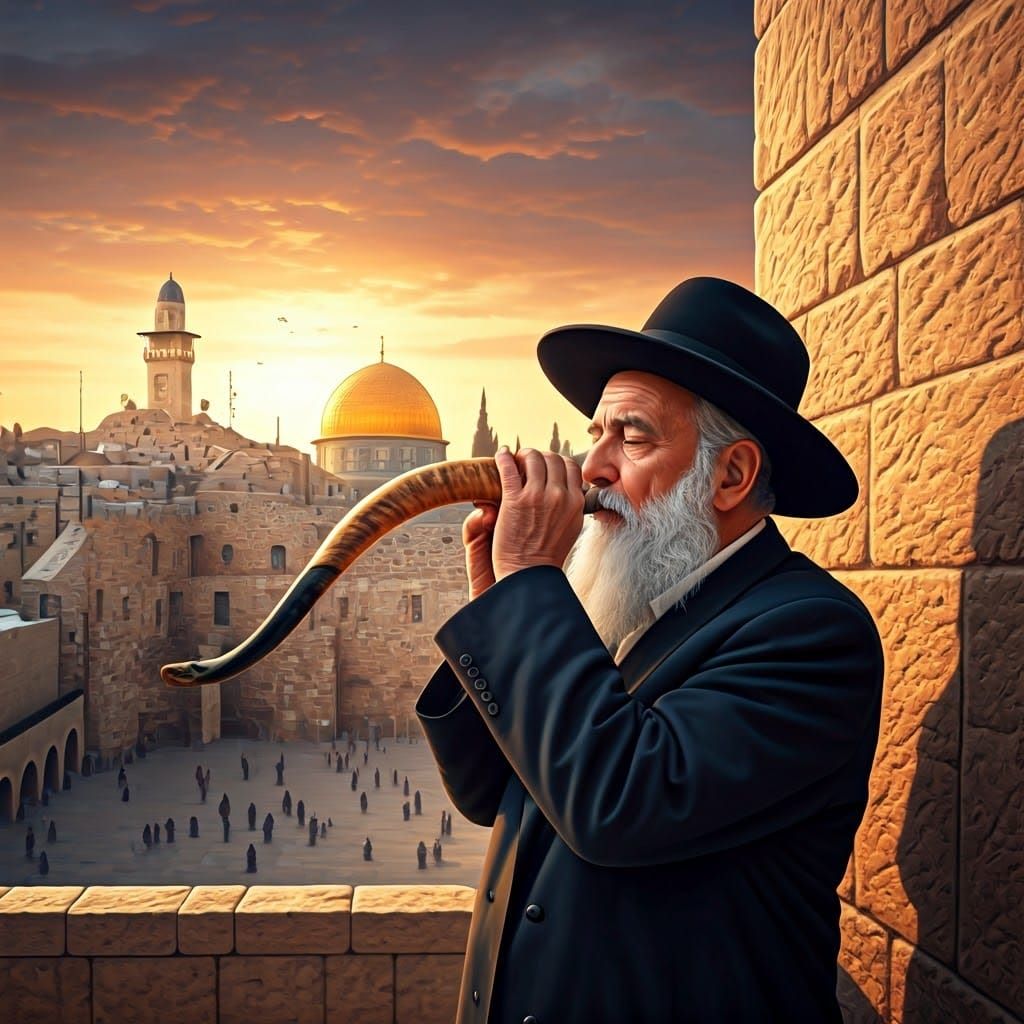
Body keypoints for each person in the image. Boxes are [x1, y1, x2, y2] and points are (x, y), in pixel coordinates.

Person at [415, 278, 884, 1023]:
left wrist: (532, 587)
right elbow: (487, 793)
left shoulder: (811, 634)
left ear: (732, 476)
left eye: (631, 436)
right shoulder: (624, 600)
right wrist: (497, 609)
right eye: (594, 433)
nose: (592, 467)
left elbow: (620, 804)